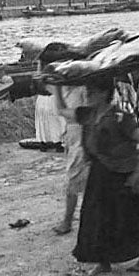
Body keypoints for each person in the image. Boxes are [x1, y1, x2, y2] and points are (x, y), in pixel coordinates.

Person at [53, 78, 139, 276]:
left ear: (104, 93)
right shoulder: (88, 114)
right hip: (99, 174)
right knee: (97, 219)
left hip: (121, 174)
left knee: (126, 217)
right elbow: (62, 111)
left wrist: (138, 173)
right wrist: (57, 87)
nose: (87, 95)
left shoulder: (120, 117)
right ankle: (103, 262)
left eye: (92, 91)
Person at [53, 85, 90, 235]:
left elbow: (66, 112)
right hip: (73, 136)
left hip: (82, 137)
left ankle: (68, 221)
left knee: (73, 180)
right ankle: (69, 220)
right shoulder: (65, 89)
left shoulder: (83, 90)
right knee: (76, 181)